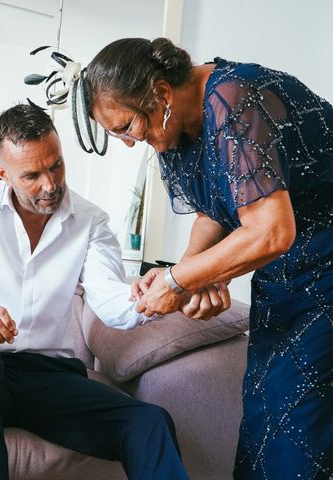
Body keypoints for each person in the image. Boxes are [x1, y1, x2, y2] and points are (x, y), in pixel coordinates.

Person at [83, 37, 333, 479]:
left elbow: (273, 229)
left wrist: (181, 280)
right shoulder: (175, 129)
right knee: (263, 417)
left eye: (126, 127)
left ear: (160, 94)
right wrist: (190, 274)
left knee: (302, 424)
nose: (127, 142)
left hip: (325, 267)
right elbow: (211, 212)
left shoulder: (235, 97)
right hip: (285, 275)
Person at [0, 103, 191, 480]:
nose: (50, 185)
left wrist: (157, 293)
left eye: (56, 165)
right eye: (31, 175)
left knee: (148, 422)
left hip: (47, 377)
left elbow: (112, 302)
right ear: (3, 173)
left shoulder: (91, 221)